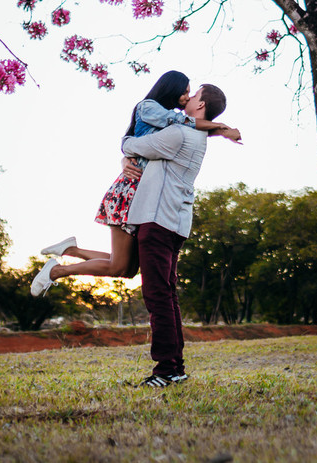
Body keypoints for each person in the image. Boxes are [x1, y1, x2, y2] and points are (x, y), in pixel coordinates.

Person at [30, 72, 239, 296]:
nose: (188, 97)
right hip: (129, 190)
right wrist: (221, 128)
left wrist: (220, 132)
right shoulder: (149, 107)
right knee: (119, 266)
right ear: (172, 88)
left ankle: (71, 250)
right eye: (186, 92)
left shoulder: (174, 121)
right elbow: (165, 130)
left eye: (192, 94)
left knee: (127, 268)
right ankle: (55, 271)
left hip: (141, 192)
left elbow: (186, 129)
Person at [119, 83, 227, 387]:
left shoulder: (178, 134)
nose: (188, 98)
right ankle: (175, 368)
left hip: (157, 220)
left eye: (194, 95)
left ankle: (166, 370)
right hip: (174, 222)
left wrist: (125, 150)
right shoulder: (196, 135)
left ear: (201, 105)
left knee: (157, 297)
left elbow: (134, 145)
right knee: (167, 296)